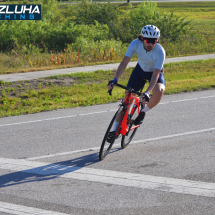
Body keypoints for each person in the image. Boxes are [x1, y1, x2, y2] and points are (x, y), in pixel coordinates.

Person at [107, 24, 165, 142]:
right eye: (148, 40)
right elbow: (124, 63)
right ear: (142, 38)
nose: (150, 44)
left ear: (157, 41)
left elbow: (155, 75)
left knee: (159, 92)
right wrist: (115, 79)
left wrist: (148, 92)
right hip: (139, 70)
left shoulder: (160, 51)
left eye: (154, 41)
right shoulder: (134, 44)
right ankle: (113, 131)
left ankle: (143, 112)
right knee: (127, 100)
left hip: (154, 72)